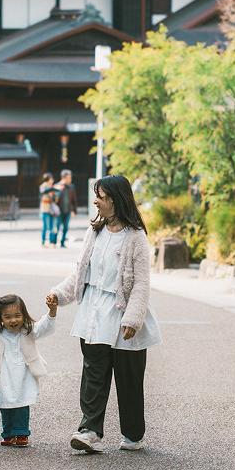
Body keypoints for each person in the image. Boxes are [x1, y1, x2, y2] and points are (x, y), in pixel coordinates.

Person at [48, 175, 161, 453]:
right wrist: (59, 295)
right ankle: (89, 431)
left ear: (115, 199)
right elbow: (80, 272)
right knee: (94, 375)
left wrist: (133, 318)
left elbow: (142, 283)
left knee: (129, 379)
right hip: (93, 313)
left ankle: (133, 434)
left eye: (100, 196)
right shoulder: (94, 232)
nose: (96, 201)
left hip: (122, 314)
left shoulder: (135, 237)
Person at [0, 294, 58, 447]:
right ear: (0, 318)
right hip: (4, 376)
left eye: (17, 316)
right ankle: (7, 433)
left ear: (24, 315)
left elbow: (43, 327)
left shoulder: (28, 331)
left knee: (22, 403)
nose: (13, 320)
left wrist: (51, 312)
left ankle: (21, 433)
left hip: (24, 375)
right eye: (7, 317)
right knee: (5, 405)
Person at [54, 169, 78, 248]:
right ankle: (53, 242)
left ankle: (62, 242)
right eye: (68, 178)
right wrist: (59, 189)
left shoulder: (71, 187)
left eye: (70, 178)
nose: (70, 180)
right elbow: (54, 199)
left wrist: (74, 210)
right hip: (59, 211)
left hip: (68, 210)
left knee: (65, 227)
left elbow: (74, 199)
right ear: (63, 178)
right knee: (57, 226)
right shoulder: (57, 186)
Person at [39, 173, 58, 248]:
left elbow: (55, 198)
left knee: (52, 226)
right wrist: (52, 189)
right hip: (45, 208)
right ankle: (43, 242)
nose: (52, 180)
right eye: (51, 179)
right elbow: (43, 192)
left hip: (52, 208)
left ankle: (51, 242)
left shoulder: (52, 187)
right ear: (48, 179)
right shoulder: (43, 186)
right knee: (45, 226)